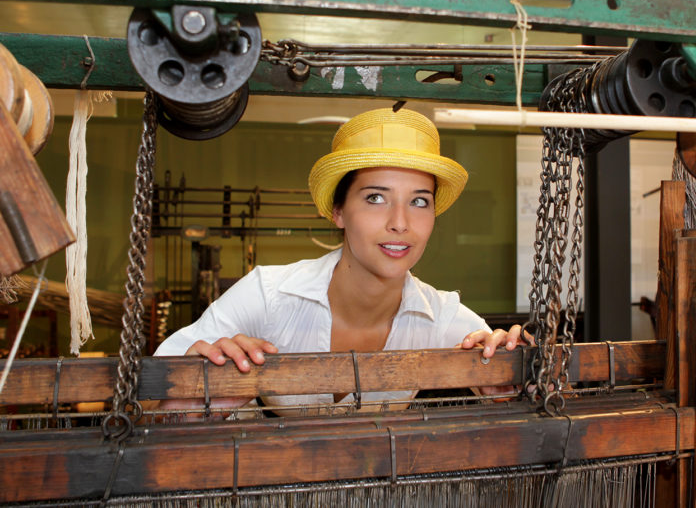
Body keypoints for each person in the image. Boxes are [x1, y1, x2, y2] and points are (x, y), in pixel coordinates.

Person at [154, 108, 524, 415]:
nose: (400, 222)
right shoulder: (268, 294)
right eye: (376, 198)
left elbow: (509, 381)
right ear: (339, 212)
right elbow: (150, 399)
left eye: (419, 201)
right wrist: (190, 391)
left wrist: (508, 368)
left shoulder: (441, 317)